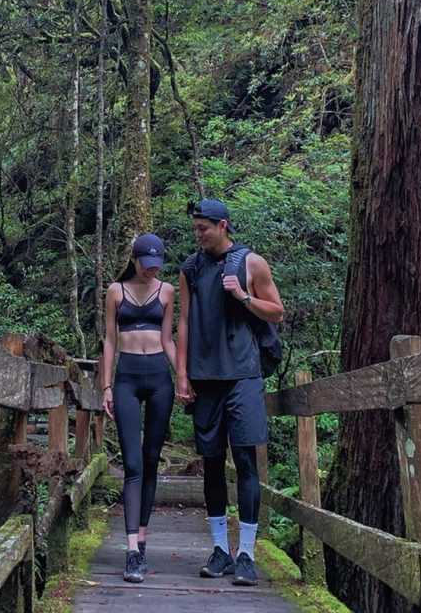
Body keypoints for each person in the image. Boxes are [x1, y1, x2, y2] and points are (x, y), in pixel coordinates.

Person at [176, 198, 284, 586]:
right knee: (211, 461)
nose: (198, 234)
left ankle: (247, 554)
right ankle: (220, 548)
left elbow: (276, 311)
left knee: (246, 460)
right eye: (195, 229)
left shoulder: (251, 263)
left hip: (243, 376)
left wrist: (243, 296)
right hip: (206, 379)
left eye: (203, 228)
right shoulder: (190, 268)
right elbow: (184, 320)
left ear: (223, 226)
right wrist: (182, 375)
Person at [101, 233, 176, 584]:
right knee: (132, 463)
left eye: (156, 265)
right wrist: (105, 385)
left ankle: (142, 538)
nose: (150, 271)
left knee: (150, 460)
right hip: (127, 377)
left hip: (160, 375)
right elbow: (110, 340)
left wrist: (185, 377)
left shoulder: (168, 291)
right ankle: (131, 550)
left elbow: (168, 339)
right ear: (134, 260)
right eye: (146, 265)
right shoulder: (116, 292)